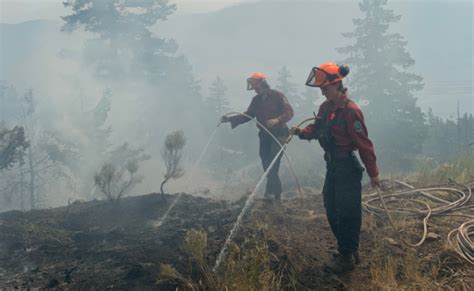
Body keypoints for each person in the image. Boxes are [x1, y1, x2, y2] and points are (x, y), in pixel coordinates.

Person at [290, 62, 380, 274]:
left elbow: (364, 143)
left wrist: (373, 172)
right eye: (321, 90)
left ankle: (347, 256)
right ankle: (349, 249)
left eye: (326, 89)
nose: (323, 93)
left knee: (348, 211)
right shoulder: (325, 108)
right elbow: (318, 128)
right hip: (333, 166)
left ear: (338, 85)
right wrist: (301, 132)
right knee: (331, 207)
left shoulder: (351, 111)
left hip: (347, 166)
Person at [221, 73, 294, 202]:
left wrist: (277, 120)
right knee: (266, 164)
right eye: (254, 88)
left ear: (263, 84)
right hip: (265, 135)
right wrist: (229, 119)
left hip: (280, 134)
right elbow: (248, 115)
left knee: (273, 163)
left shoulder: (278, 96)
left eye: (256, 87)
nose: (255, 90)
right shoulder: (256, 100)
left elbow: (290, 112)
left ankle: (272, 194)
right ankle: (274, 193)